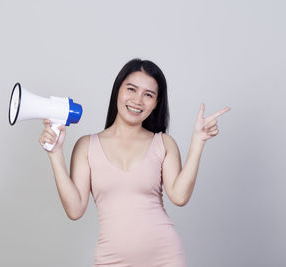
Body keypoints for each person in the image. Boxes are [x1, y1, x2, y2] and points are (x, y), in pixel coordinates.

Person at [39, 58, 231, 266]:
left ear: (156, 103)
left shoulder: (163, 143)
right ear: (118, 90)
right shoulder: (86, 146)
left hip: (164, 257)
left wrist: (198, 141)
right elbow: (75, 210)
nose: (138, 100)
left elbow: (179, 196)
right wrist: (55, 154)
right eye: (131, 89)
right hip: (111, 260)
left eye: (148, 95)